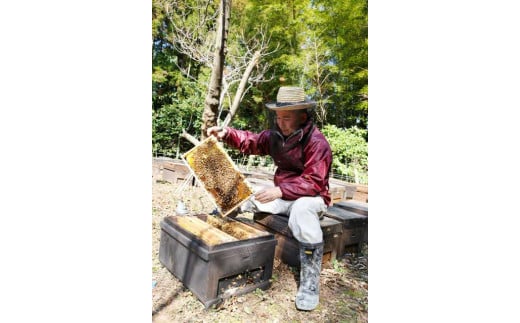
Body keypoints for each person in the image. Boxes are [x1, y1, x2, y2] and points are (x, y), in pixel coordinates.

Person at [207, 86, 333, 311]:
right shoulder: (274, 135)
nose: (280, 122)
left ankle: (310, 284)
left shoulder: (317, 142)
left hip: (312, 197)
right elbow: (251, 142)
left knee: (302, 211)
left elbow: (314, 181)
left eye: (286, 117)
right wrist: (227, 134)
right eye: (278, 116)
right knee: (245, 193)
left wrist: (280, 190)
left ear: (302, 116)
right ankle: (217, 227)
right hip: (283, 194)